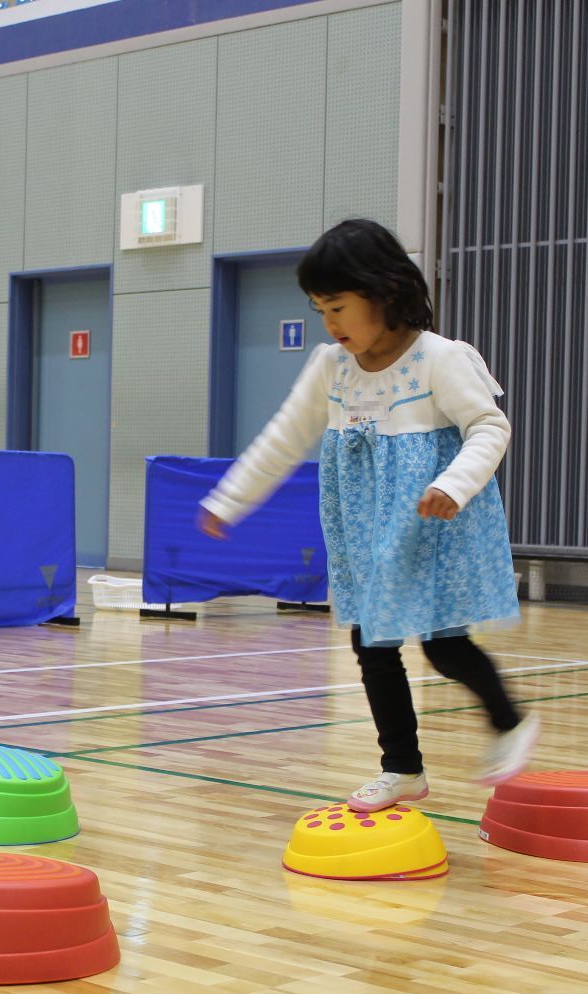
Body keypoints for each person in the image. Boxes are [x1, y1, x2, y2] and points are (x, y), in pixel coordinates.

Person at [198, 219, 540, 812]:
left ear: (383, 293)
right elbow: (284, 438)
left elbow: (489, 426)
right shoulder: (331, 367)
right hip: (362, 530)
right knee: (372, 645)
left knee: (443, 647)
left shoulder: (440, 359)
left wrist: (452, 484)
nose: (330, 325)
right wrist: (229, 500)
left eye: (338, 308)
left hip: (430, 525)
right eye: (319, 311)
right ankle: (402, 768)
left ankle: (509, 721)